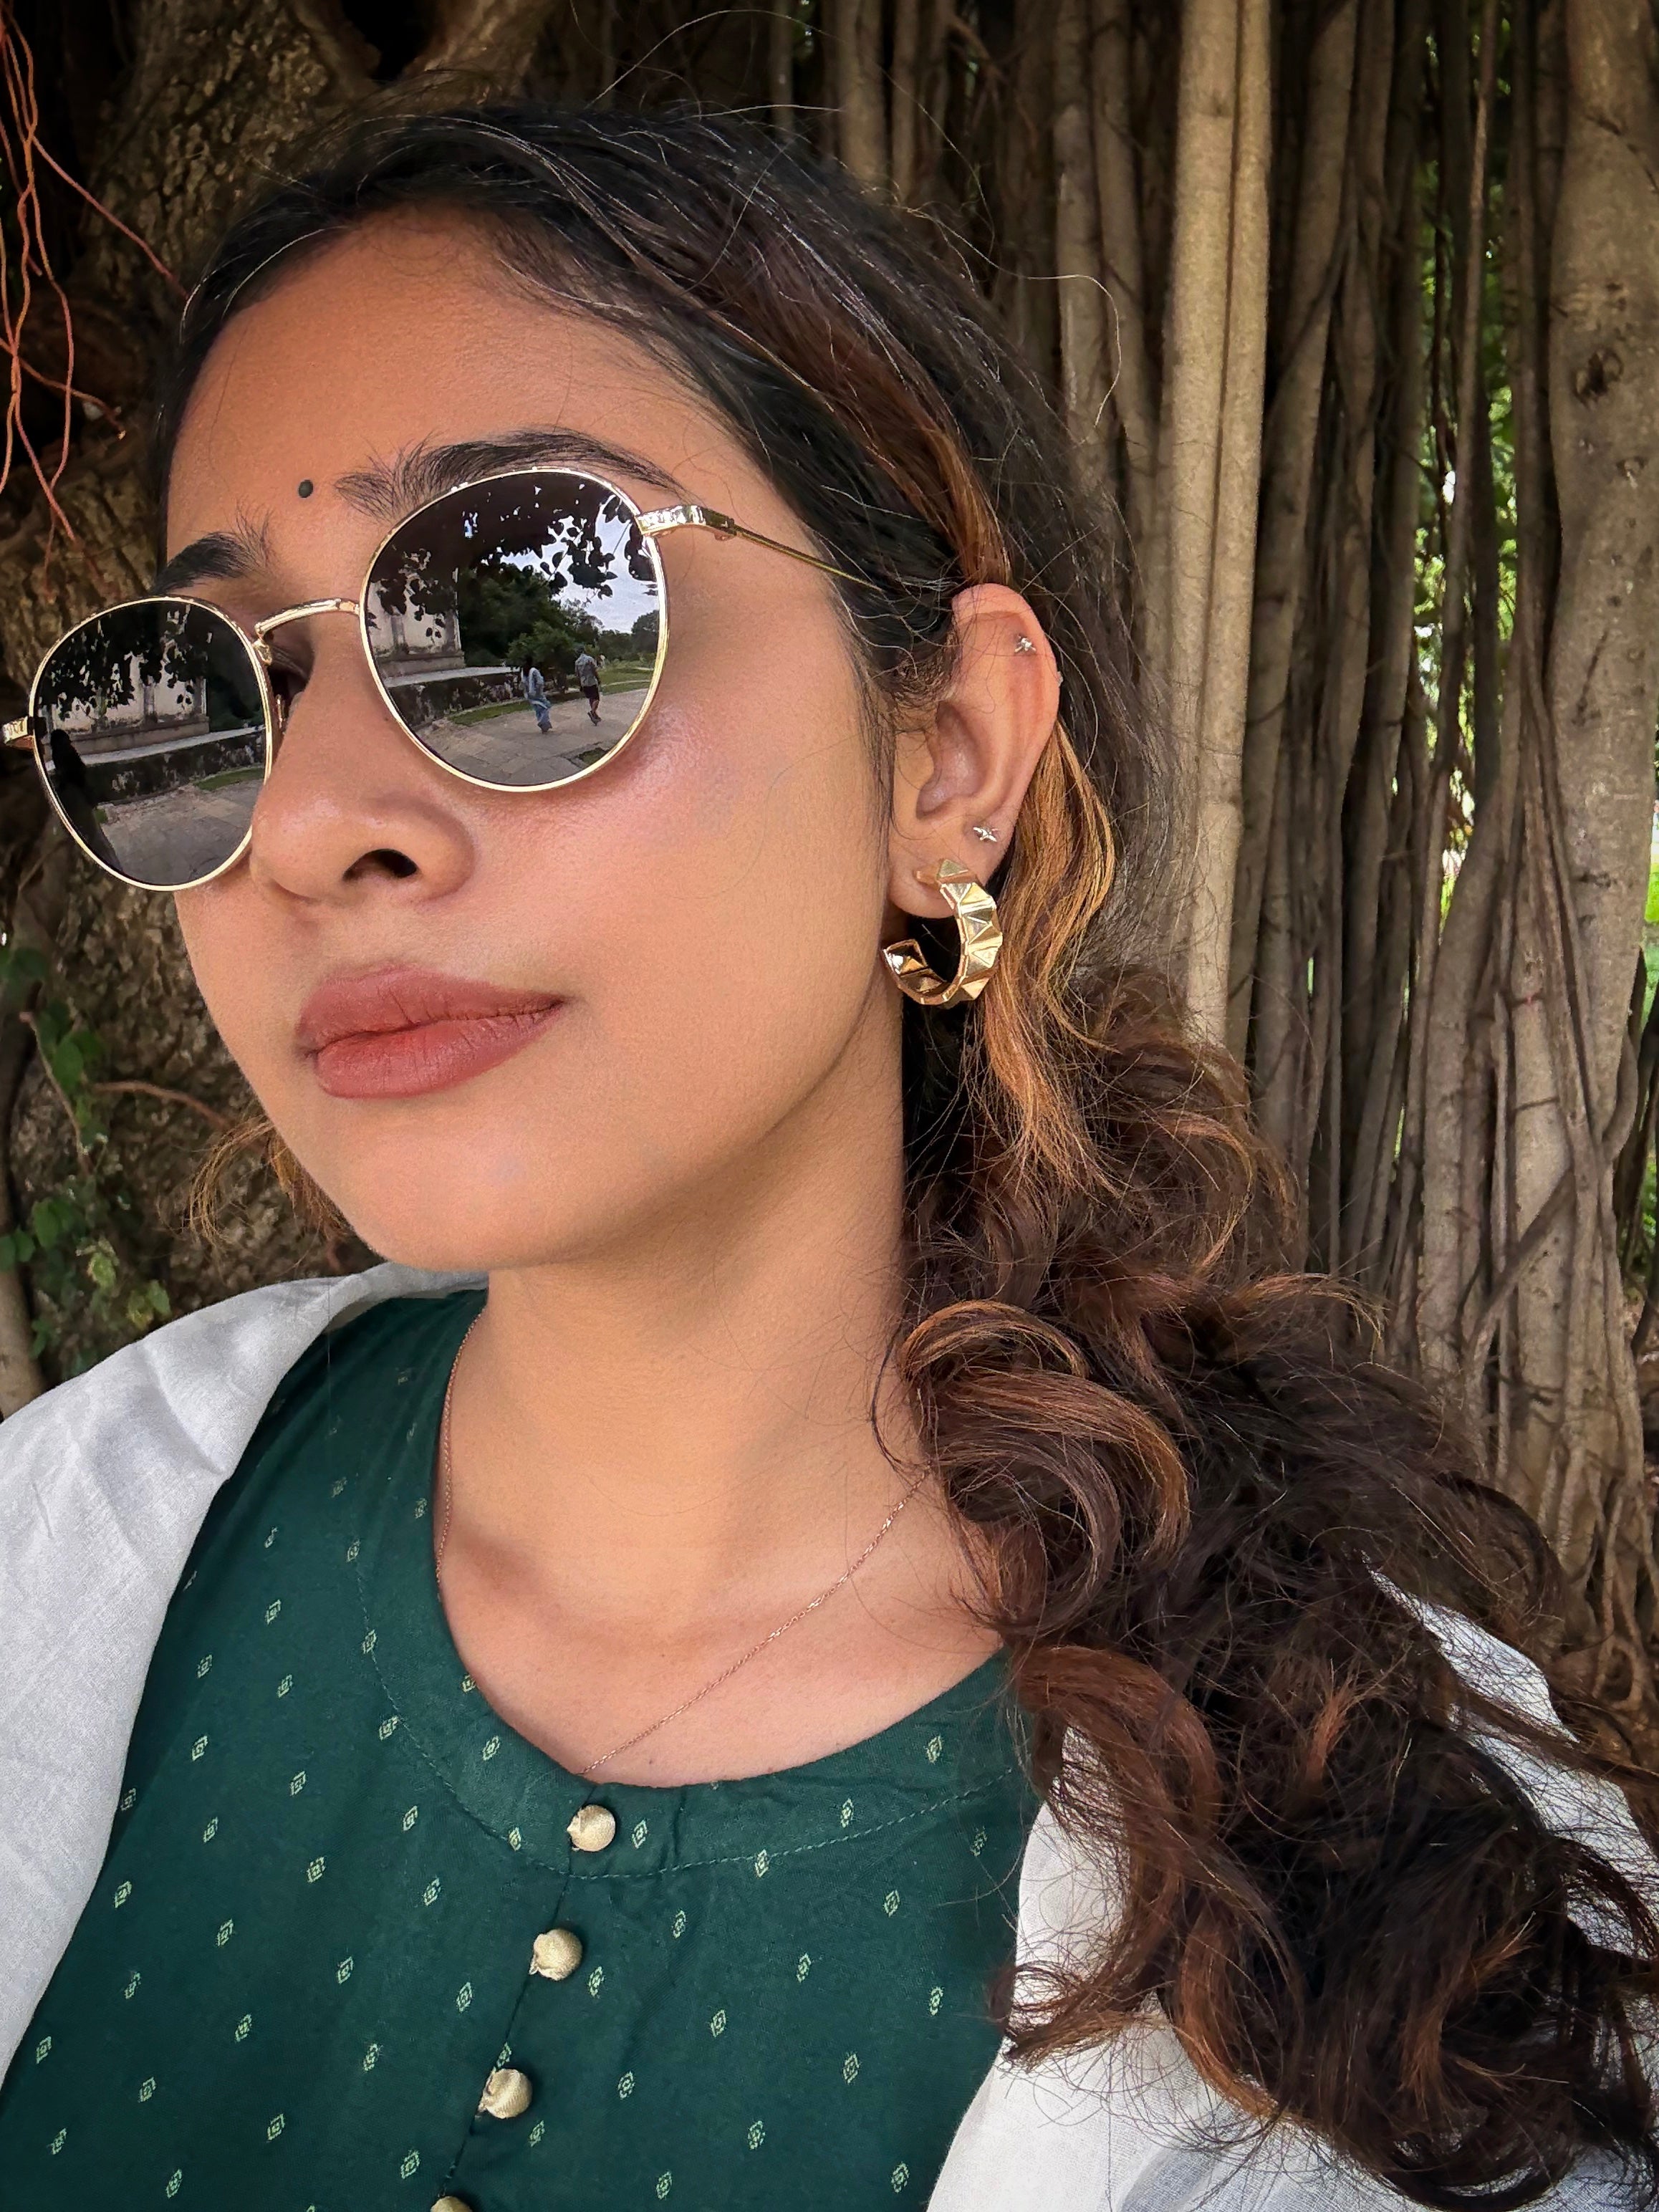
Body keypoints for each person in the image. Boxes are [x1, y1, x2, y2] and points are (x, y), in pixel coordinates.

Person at [0, 105, 1655, 2212]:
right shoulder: (78, 1537)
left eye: (518, 606)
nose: (312, 820)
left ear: (944, 752)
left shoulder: (1419, 1891)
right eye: (203, 694)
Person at [521, 653, 552, 733]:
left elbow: (523, 683)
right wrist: (538, 690)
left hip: (529, 694)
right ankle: (543, 724)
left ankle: (543, 724)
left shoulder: (523, 672)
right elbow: (540, 682)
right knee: (545, 708)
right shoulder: (534, 671)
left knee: (538, 709)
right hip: (537, 694)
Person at [573, 644, 601, 723]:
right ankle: (592, 712)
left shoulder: (577, 662)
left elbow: (577, 675)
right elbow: (594, 670)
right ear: (584, 650)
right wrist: (598, 679)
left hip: (584, 683)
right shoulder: (589, 659)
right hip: (591, 681)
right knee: (597, 699)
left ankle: (595, 716)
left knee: (591, 698)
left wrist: (580, 685)